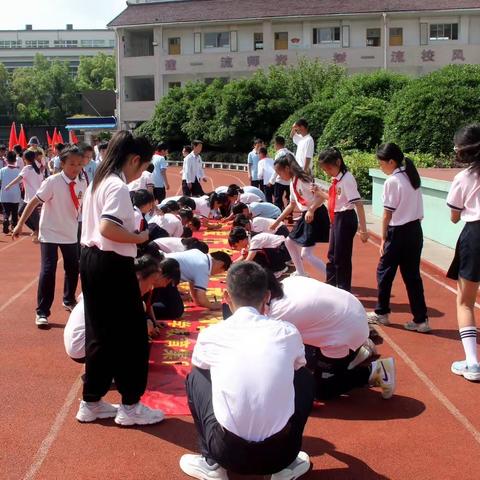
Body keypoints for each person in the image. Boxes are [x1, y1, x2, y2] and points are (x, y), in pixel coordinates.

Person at [180, 261, 314, 480]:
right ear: (267, 296)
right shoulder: (287, 332)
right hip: (281, 453)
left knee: (196, 377)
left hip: (226, 452)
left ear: (226, 296)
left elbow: (201, 368)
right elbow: (298, 366)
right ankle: (283, 469)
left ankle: (212, 464)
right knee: (303, 376)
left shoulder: (212, 334)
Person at [76, 130, 165, 426]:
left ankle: (91, 401)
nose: (140, 174)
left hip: (91, 260)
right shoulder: (115, 186)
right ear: (135, 159)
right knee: (131, 336)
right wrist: (139, 237)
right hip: (111, 263)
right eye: (141, 167)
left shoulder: (97, 182)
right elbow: (107, 228)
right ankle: (130, 405)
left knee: (100, 333)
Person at [266, 273, 396, 400]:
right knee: (305, 359)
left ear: (265, 294)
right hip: (351, 316)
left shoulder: (279, 312)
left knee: (320, 390)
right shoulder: (290, 281)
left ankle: (376, 371)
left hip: (347, 331)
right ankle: (357, 350)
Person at [13, 146, 87, 328]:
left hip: (69, 232)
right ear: (62, 164)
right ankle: (42, 312)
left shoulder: (82, 182)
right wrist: (20, 224)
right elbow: (33, 202)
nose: (75, 168)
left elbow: (83, 207)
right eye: (71, 164)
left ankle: (68, 299)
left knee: (72, 268)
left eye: (79, 163)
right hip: (49, 232)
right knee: (48, 270)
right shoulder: (52, 182)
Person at [65, 254, 181, 362]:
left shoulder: (117, 282)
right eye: (150, 283)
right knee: (139, 331)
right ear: (139, 277)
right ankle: (107, 370)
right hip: (81, 347)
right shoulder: (122, 293)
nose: (150, 288)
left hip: (78, 341)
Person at [367, 143, 430, 333]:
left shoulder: (392, 181)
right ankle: (421, 320)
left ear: (391, 161)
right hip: (415, 232)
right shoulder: (411, 177)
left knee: (384, 273)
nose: (380, 167)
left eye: (381, 163)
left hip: (398, 233)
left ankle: (382, 313)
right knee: (412, 277)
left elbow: (387, 214)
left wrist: (383, 239)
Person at [446, 124, 480, 381]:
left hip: (475, 235)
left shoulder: (464, 178)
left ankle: (472, 363)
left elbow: (455, 216)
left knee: (465, 301)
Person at [270, 153, 330, 278]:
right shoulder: (292, 183)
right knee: (289, 242)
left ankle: (330, 277)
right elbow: (291, 205)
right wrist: (277, 221)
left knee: (306, 254)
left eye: (279, 173)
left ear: (287, 169)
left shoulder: (303, 180)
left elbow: (321, 196)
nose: (279, 176)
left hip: (316, 214)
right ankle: (301, 272)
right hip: (307, 215)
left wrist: (311, 210)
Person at [318, 147, 369, 292]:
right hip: (337, 217)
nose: (327, 172)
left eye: (328, 168)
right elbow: (336, 200)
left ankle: (343, 288)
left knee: (342, 256)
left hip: (345, 218)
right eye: (324, 169)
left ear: (338, 162)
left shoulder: (347, 179)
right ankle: (332, 284)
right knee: (333, 254)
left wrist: (363, 230)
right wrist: (319, 193)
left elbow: (358, 203)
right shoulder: (336, 180)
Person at [163, 249, 232, 311]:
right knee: (176, 309)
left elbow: (193, 284)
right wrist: (213, 306)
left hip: (161, 263)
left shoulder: (198, 253)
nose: (216, 274)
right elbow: (200, 297)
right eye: (220, 271)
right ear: (221, 264)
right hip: (163, 275)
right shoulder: (204, 267)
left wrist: (197, 301)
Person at [5, 149, 43, 242]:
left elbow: (19, 178)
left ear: (25, 158)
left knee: (28, 215)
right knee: (23, 213)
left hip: (32, 197)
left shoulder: (27, 168)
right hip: (34, 196)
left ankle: (38, 232)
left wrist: (9, 185)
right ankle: (36, 231)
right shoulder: (37, 168)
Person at [0, 151, 21, 234]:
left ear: (7, 160)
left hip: (4, 194)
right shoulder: (18, 171)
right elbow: (21, 183)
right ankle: (14, 226)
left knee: (6, 211)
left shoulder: (2, 170)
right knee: (15, 212)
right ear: (15, 160)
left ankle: (5, 219)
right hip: (15, 195)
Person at [270, 136, 292, 212]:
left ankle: (279, 213)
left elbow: (277, 168)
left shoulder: (279, 154)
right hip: (289, 180)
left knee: (278, 199)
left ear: (276, 144)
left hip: (280, 180)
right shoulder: (291, 153)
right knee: (290, 198)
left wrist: (271, 181)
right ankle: (290, 213)